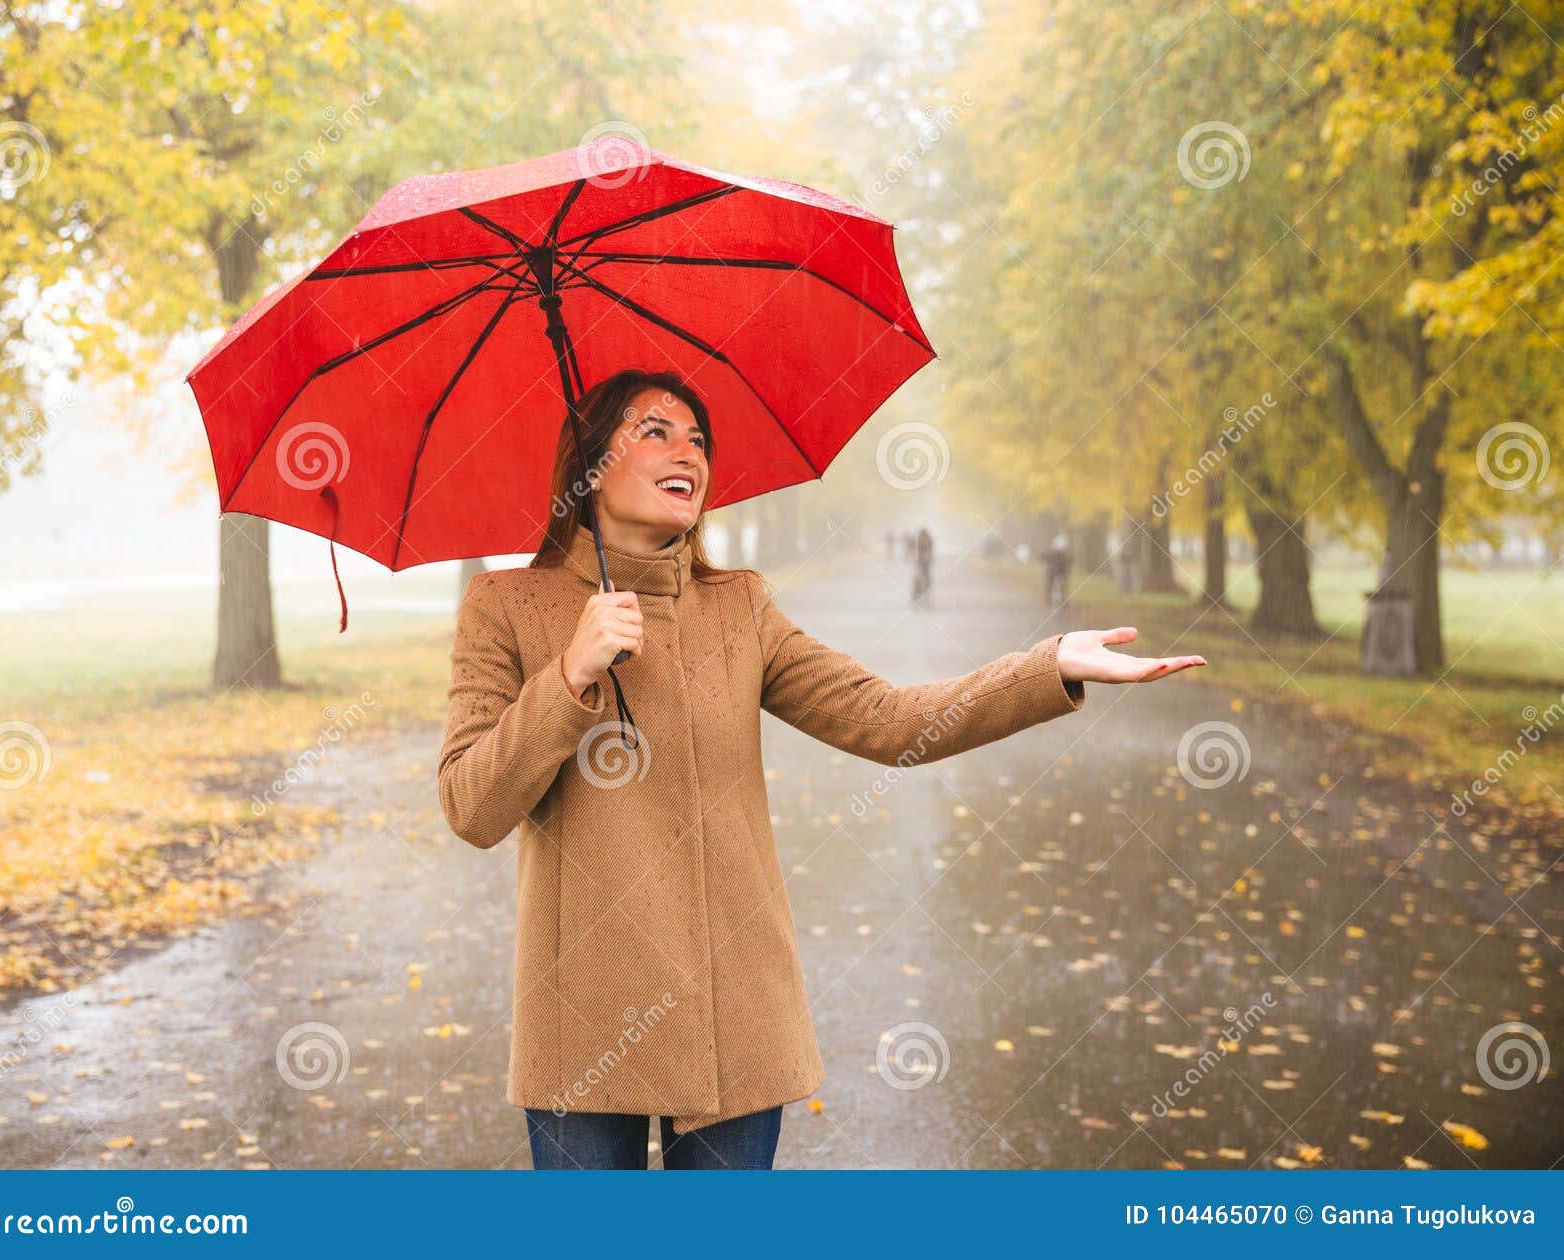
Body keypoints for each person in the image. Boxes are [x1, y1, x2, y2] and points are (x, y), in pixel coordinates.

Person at [436, 367, 1207, 1171]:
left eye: (698, 438)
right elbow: (471, 805)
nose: (688, 453)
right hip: (584, 1026)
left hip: (737, 1016)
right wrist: (569, 676)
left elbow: (891, 720)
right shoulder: (506, 607)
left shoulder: (740, 607)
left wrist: (1049, 666)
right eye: (654, 430)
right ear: (590, 462)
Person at [1042, 532, 1072, 608]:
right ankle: (1048, 598)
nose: (1059, 549)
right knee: (1050, 583)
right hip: (1052, 572)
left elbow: (1068, 564)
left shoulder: (1065, 556)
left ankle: (1063, 601)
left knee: (1063, 586)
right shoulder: (1052, 554)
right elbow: (1045, 557)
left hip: (1061, 572)